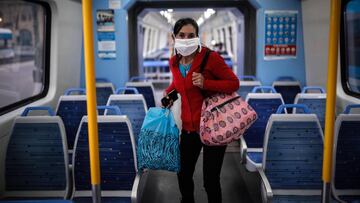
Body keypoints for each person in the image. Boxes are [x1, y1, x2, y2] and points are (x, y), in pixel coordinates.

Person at [164, 18, 239, 203]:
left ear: (197, 37)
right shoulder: (174, 62)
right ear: (174, 37)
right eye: (182, 35)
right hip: (189, 129)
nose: (186, 39)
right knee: (183, 174)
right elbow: (178, 84)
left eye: (191, 35)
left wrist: (207, 83)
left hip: (213, 126)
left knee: (210, 181)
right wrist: (168, 95)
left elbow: (233, 83)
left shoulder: (210, 58)